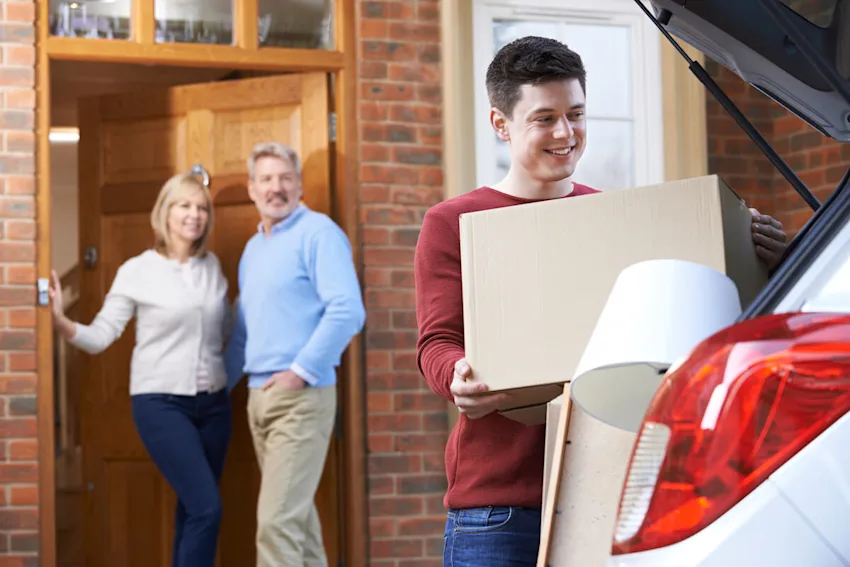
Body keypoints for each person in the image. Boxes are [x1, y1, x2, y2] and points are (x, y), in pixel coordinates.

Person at [414, 35, 789, 567]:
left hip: (602, 495)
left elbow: (678, 326)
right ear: (501, 124)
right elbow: (437, 341)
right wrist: (456, 375)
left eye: (577, 113)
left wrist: (765, 261)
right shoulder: (452, 223)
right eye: (544, 118)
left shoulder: (614, 219)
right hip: (499, 509)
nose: (566, 133)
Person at [49, 173, 233, 567]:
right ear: (165, 212)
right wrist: (63, 323)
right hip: (161, 404)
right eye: (184, 205)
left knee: (192, 509)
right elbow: (101, 335)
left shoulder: (212, 267)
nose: (194, 214)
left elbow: (226, 331)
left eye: (202, 207)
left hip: (215, 406)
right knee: (207, 509)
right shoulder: (138, 270)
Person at [224, 141, 365, 567]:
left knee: (276, 526)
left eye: (285, 178)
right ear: (252, 189)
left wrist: (299, 373)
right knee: (296, 526)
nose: (276, 188)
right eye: (266, 179)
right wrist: (217, 387)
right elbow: (244, 330)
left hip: (301, 398)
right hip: (258, 397)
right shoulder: (254, 249)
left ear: (300, 185)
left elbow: (347, 311)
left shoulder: (318, 233)